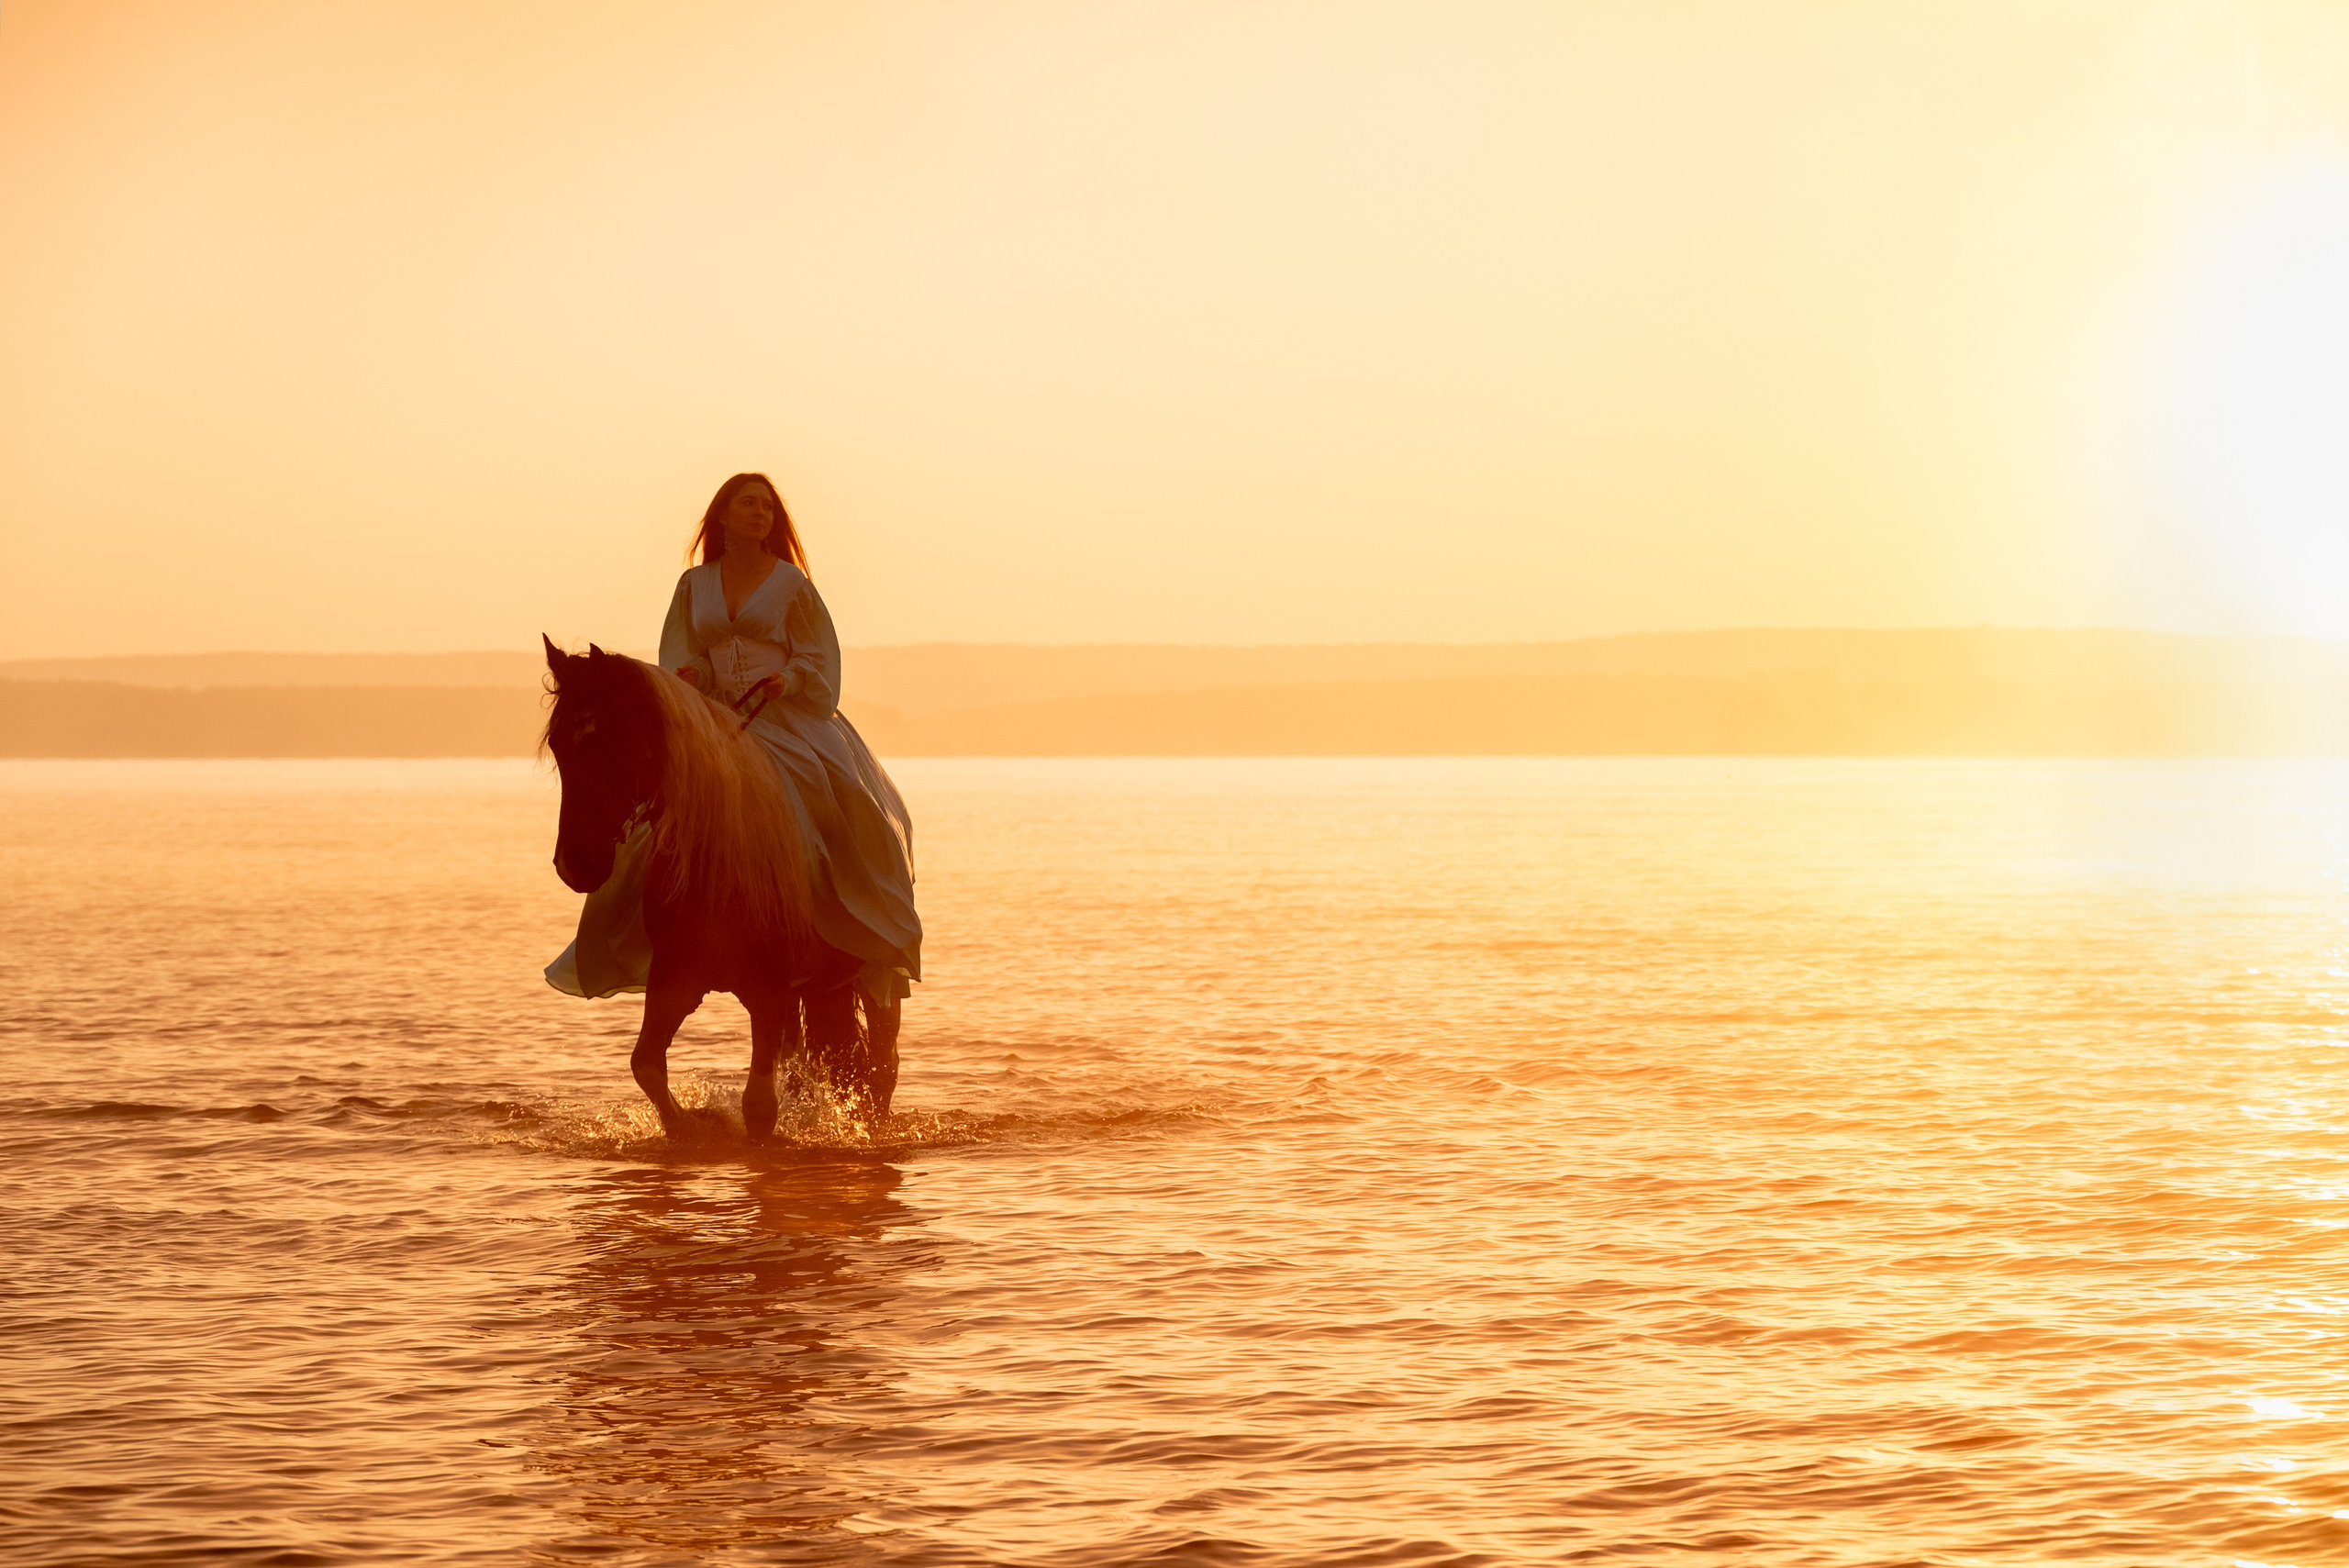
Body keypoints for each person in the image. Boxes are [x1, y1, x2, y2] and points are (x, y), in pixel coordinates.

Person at [546, 473, 921, 1014]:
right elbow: (687, 651)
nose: (760, 513)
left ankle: (867, 922)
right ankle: (646, 932)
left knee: (842, 800)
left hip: (787, 713)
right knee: (655, 817)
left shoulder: (791, 584)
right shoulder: (694, 585)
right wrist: (692, 678)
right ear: (723, 516)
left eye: (767, 507)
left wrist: (786, 680)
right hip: (719, 719)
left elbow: (816, 657)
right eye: (748, 504)